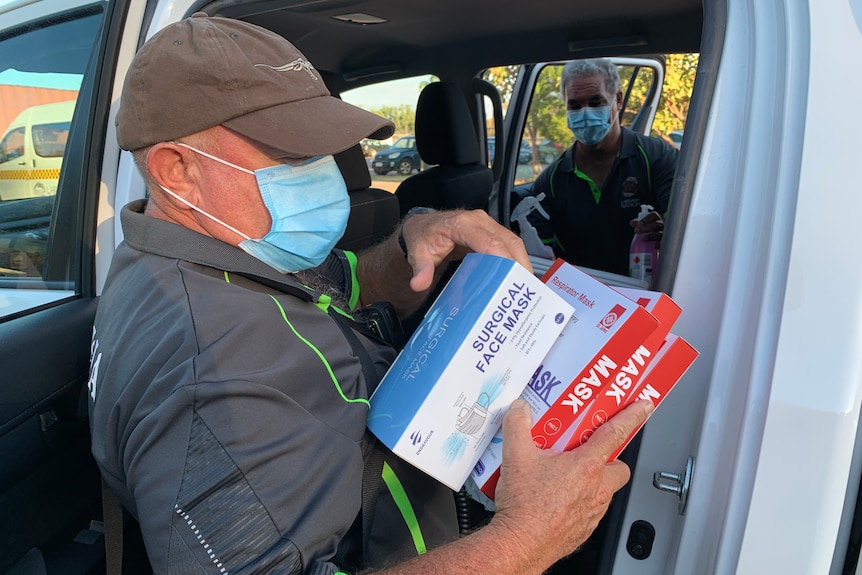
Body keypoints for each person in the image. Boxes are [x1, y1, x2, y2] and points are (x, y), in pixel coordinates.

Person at [87, 14, 653, 575]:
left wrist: (414, 242)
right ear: (177, 170)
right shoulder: (211, 377)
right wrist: (524, 541)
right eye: (293, 154)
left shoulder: (229, 252)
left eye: (326, 149)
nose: (326, 173)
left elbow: (344, 286)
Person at [527, 58, 679, 278]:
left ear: (617, 100)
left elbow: (686, 232)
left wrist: (666, 231)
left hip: (644, 290)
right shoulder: (550, 181)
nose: (585, 113)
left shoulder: (657, 158)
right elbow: (537, 260)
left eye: (596, 102)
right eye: (575, 105)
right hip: (580, 296)